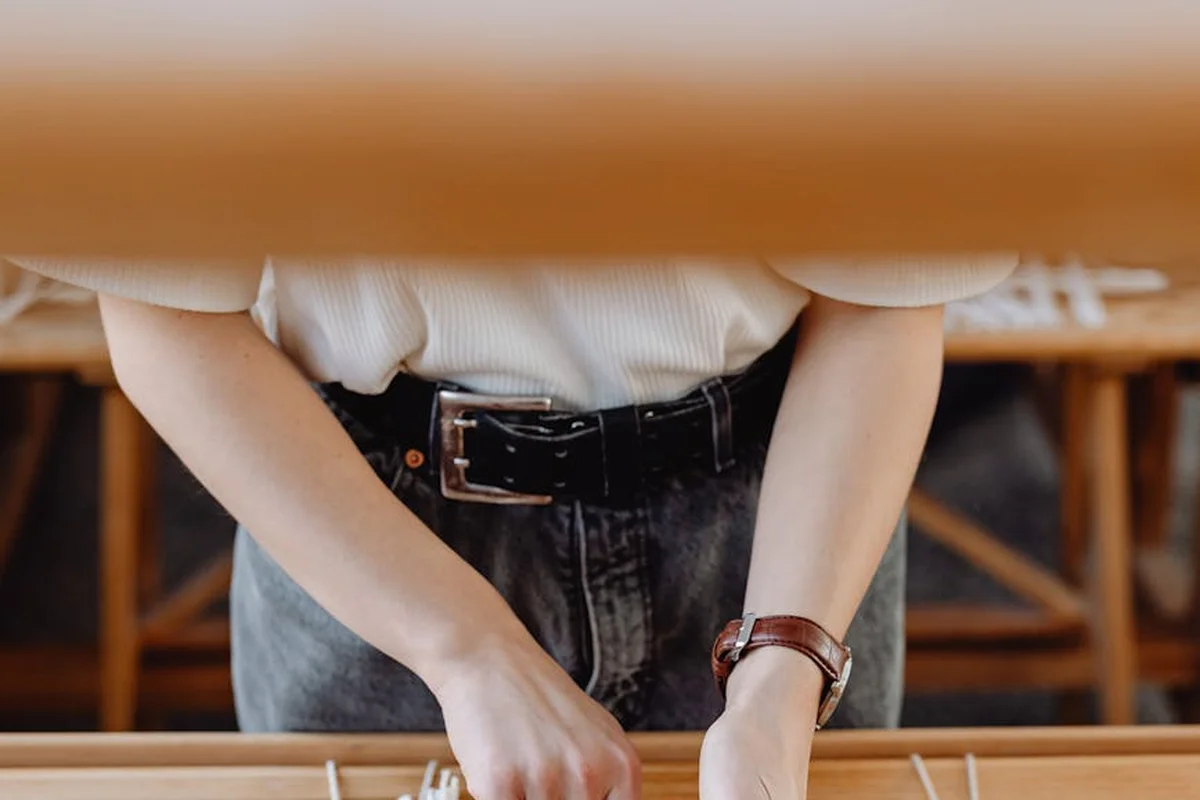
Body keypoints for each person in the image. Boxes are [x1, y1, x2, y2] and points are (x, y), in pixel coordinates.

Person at [11, 255, 1014, 799]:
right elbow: (158, 304)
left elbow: (883, 294)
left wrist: (781, 675)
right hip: (370, 527)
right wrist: (464, 646)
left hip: (782, 514)